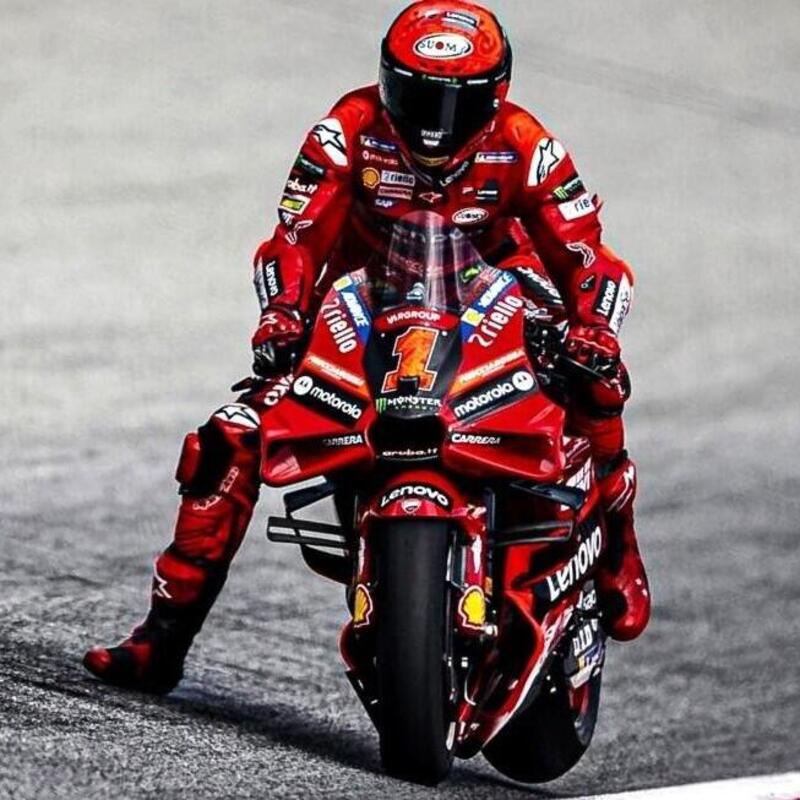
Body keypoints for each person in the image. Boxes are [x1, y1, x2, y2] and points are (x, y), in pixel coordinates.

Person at [84, 0, 650, 694]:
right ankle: (162, 639)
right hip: (365, 309)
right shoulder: (345, 130)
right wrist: (283, 314)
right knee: (229, 439)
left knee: (597, 378)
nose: (433, 123)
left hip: (502, 299)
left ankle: (620, 551)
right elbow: (292, 242)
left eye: (455, 103)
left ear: (495, 95)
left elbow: (591, 259)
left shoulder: (528, 144)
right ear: (385, 80)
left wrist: (592, 328)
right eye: (416, 95)